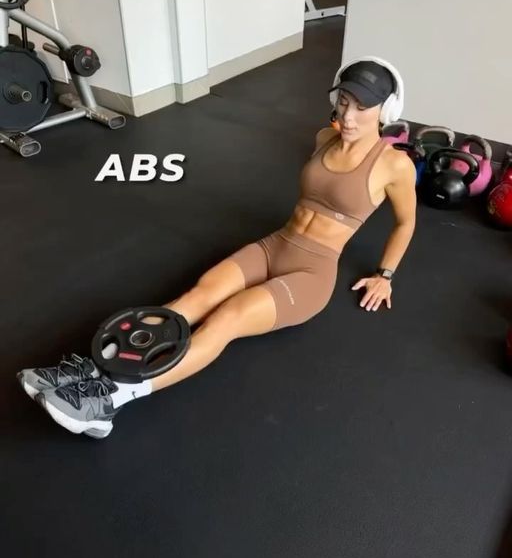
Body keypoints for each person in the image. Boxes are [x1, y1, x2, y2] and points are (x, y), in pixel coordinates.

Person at [17, 56, 417, 438]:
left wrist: (385, 276)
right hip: (275, 244)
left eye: (362, 107)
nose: (348, 116)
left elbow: (405, 222)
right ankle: (93, 369)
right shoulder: (323, 137)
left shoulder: (394, 165)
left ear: (386, 109)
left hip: (312, 274)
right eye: (344, 101)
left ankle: (112, 400)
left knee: (225, 319)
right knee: (196, 297)